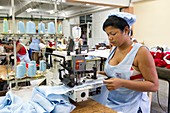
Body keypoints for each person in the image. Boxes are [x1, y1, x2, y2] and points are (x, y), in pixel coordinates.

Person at [99, 12, 158, 113]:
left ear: (126, 30)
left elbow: (153, 85)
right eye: (108, 34)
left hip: (131, 106)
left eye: (113, 34)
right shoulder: (114, 49)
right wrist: (101, 75)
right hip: (110, 102)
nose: (110, 38)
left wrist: (122, 83)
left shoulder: (140, 52)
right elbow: (117, 73)